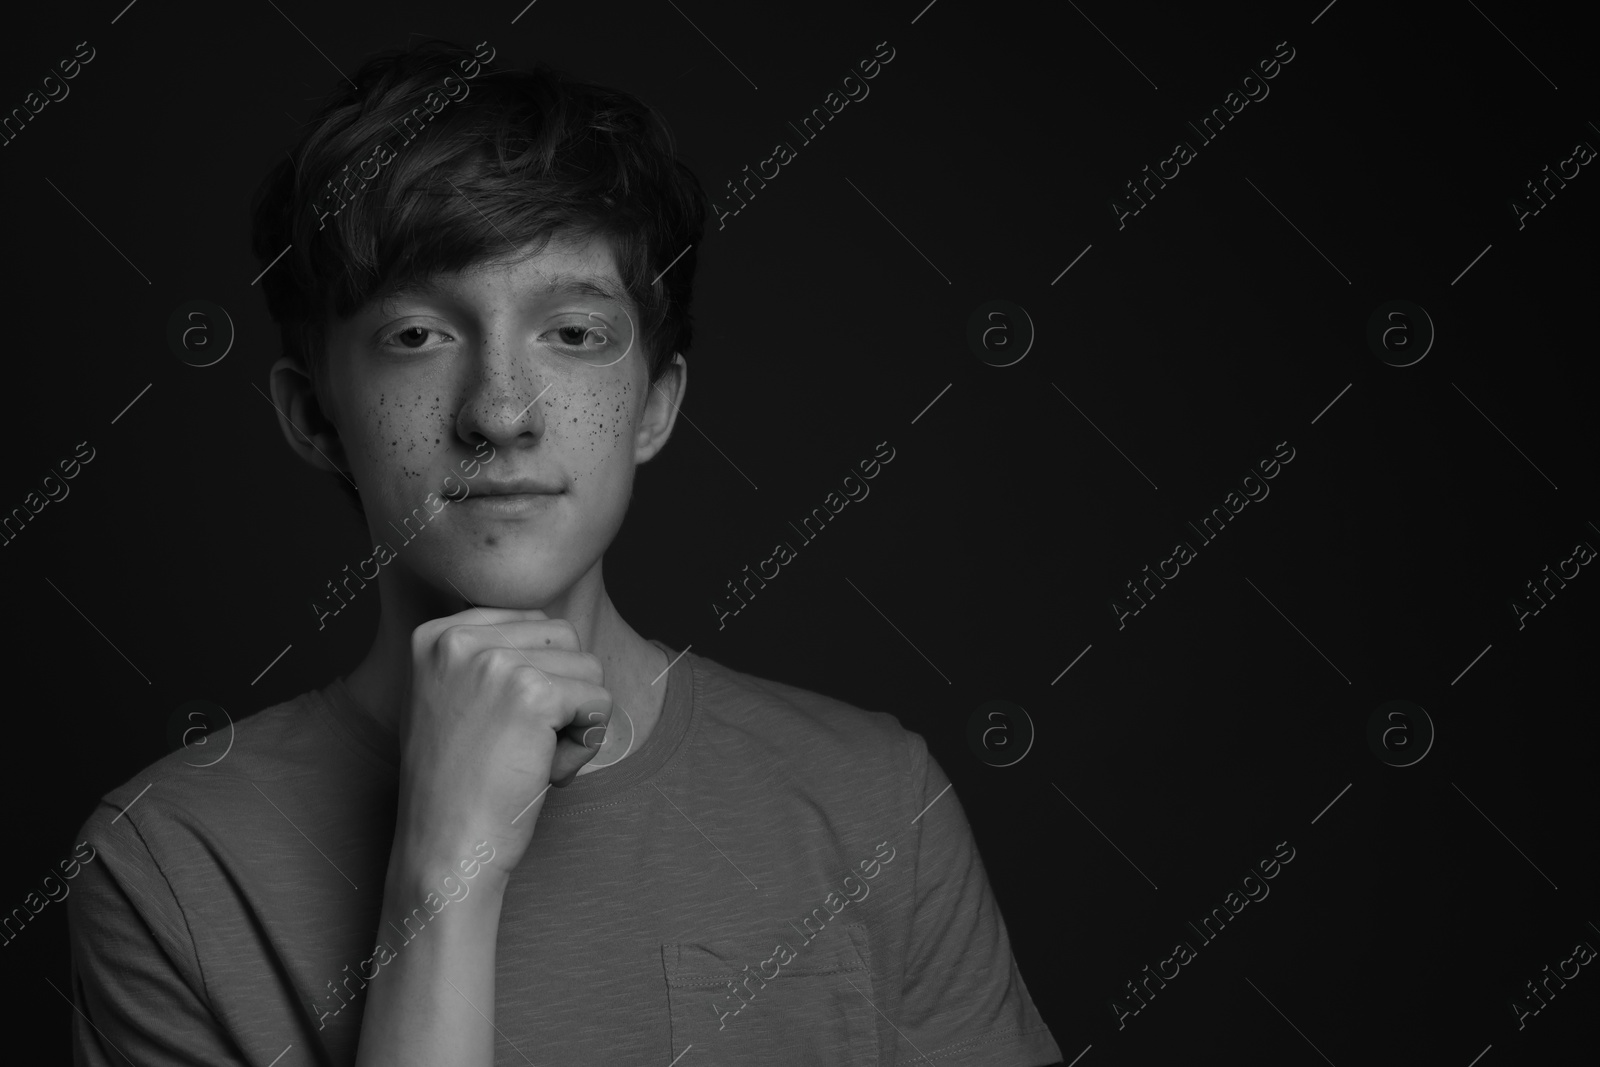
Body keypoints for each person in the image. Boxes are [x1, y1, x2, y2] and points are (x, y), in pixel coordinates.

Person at [66, 38, 1064, 1066]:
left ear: (654, 404)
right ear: (315, 415)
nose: (500, 409)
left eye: (575, 335)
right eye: (416, 336)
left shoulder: (874, 802)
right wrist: (442, 870)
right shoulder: (170, 859)